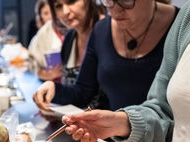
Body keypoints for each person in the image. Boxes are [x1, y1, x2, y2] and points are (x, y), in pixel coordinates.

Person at [61, 1, 190, 142]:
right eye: (107, 1)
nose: (115, 10)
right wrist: (122, 123)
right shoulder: (186, 18)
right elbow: (163, 110)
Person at [33, 0, 179, 111]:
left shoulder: (181, 26)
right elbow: (83, 93)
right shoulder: (101, 29)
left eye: (125, 0)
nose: (115, 10)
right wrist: (53, 88)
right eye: (107, 1)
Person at [28, 0, 65, 81]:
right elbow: (34, 67)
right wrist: (51, 74)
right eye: (45, 13)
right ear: (40, 16)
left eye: (52, 11)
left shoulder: (67, 31)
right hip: (53, 84)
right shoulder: (40, 36)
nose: (50, 16)